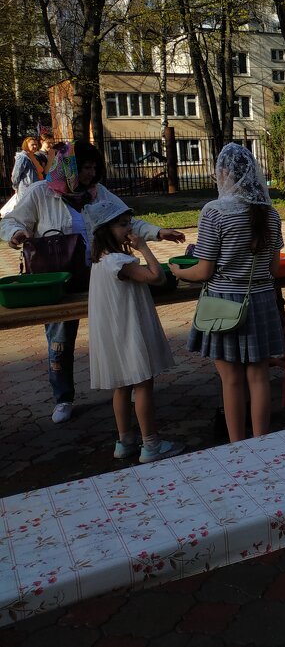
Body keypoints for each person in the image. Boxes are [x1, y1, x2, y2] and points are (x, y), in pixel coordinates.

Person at [1, 141, 186, 424]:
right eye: (85, 168)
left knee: (120, 332)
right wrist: (17, 234)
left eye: (93, 168)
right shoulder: (41, 193)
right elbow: (10, 221)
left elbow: (129, 222)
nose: (90, 174)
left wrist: (158, 232)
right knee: (60, 340)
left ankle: (133, 380)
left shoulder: (98, 194)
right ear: (68, 168)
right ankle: (63, 397)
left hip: (102, 276)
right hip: (59, 282)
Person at [170, 144, 283, 442]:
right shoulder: (270, 213)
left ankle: (237, 447)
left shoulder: (215, 212)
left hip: (223, 304)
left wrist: (179, 272)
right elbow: (273, 267)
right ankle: (262, 442)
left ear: (224, 173)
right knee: (259, 377)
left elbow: (203, 271)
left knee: (231, 380)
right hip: (260, 300)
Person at [83, 197, 183, 463]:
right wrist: (145, 248)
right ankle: (151, 444)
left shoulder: (101, 260)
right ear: (105, 230)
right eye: (122, 226)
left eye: (130, 224)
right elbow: (157, 278)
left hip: (115, 332)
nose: (130, 230)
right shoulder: (118, 261)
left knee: (122, 386)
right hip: (129, 332)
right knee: (143, 384)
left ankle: (124, 441)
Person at [10, 136, 46, 201]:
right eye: (32, 145)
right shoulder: (23, 157)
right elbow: (16, 174)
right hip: (26, 189)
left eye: (36, 144)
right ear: (26, 145)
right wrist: (16, 187)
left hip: (37, 189)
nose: (35, 146)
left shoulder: (36, 156)